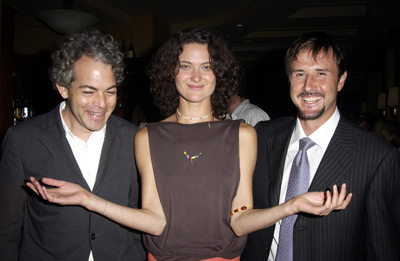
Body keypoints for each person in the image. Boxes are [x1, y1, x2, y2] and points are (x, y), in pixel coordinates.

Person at [26, 28, 351, 261]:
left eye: (206, 66)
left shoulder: (242, 134)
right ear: (172, 72)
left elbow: (239, 218)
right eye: (185, 65)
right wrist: (87, 199)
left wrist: (291, 206)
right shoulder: (146, 136)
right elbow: (155, 220)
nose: (196, 76)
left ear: (218, 74)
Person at [242, 31, 400, 261]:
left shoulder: (377, 157)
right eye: (299, 74)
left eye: (321, 73)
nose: (309, 86)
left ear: (341, 80)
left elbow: (382, 249)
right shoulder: (263, 135)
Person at [0, 29, 145, 260]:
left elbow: (140, 216)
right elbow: (6, 231)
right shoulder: (22, 140)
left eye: (110, 91)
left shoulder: (133, 138)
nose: (101, 103)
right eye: (88, 91)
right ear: (63, 88)